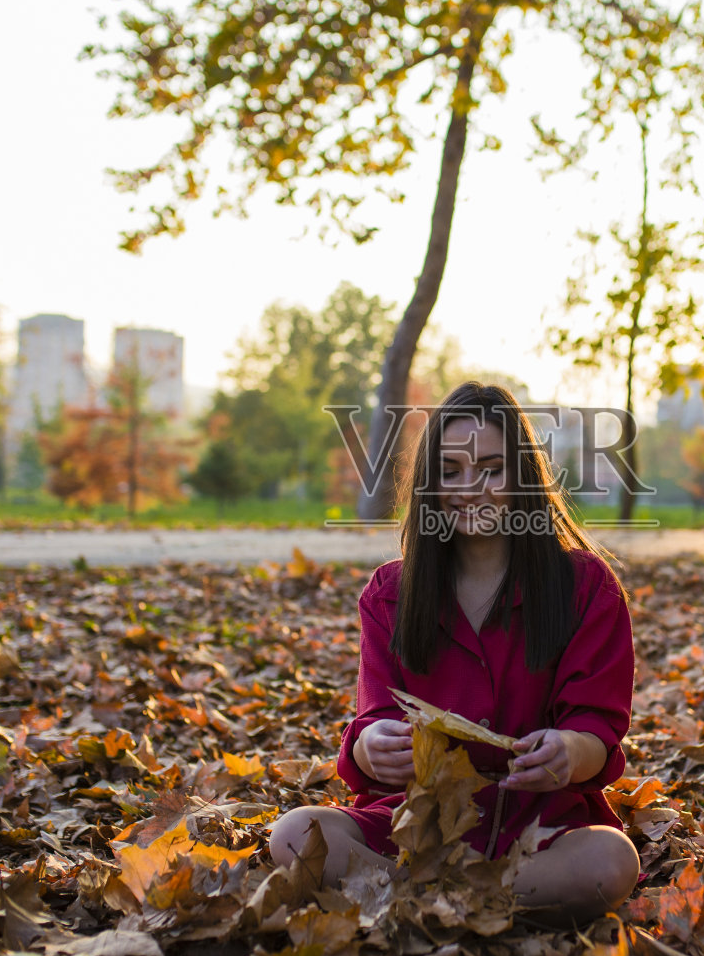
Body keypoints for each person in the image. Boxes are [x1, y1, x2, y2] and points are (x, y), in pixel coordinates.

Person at [268, 381, 640, 923]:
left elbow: (598, 729)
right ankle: (451, 899)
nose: (472, 488)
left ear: (523, 476)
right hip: (415, 827)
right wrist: (372, 746)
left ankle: (423, 900)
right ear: (429, 483)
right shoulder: (391, 594)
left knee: (610, 862)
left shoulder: (585, 585)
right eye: (451, 471)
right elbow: (374, 720)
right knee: (295, 833)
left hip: (537, 831)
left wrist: (568, 751)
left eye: (491, 468)